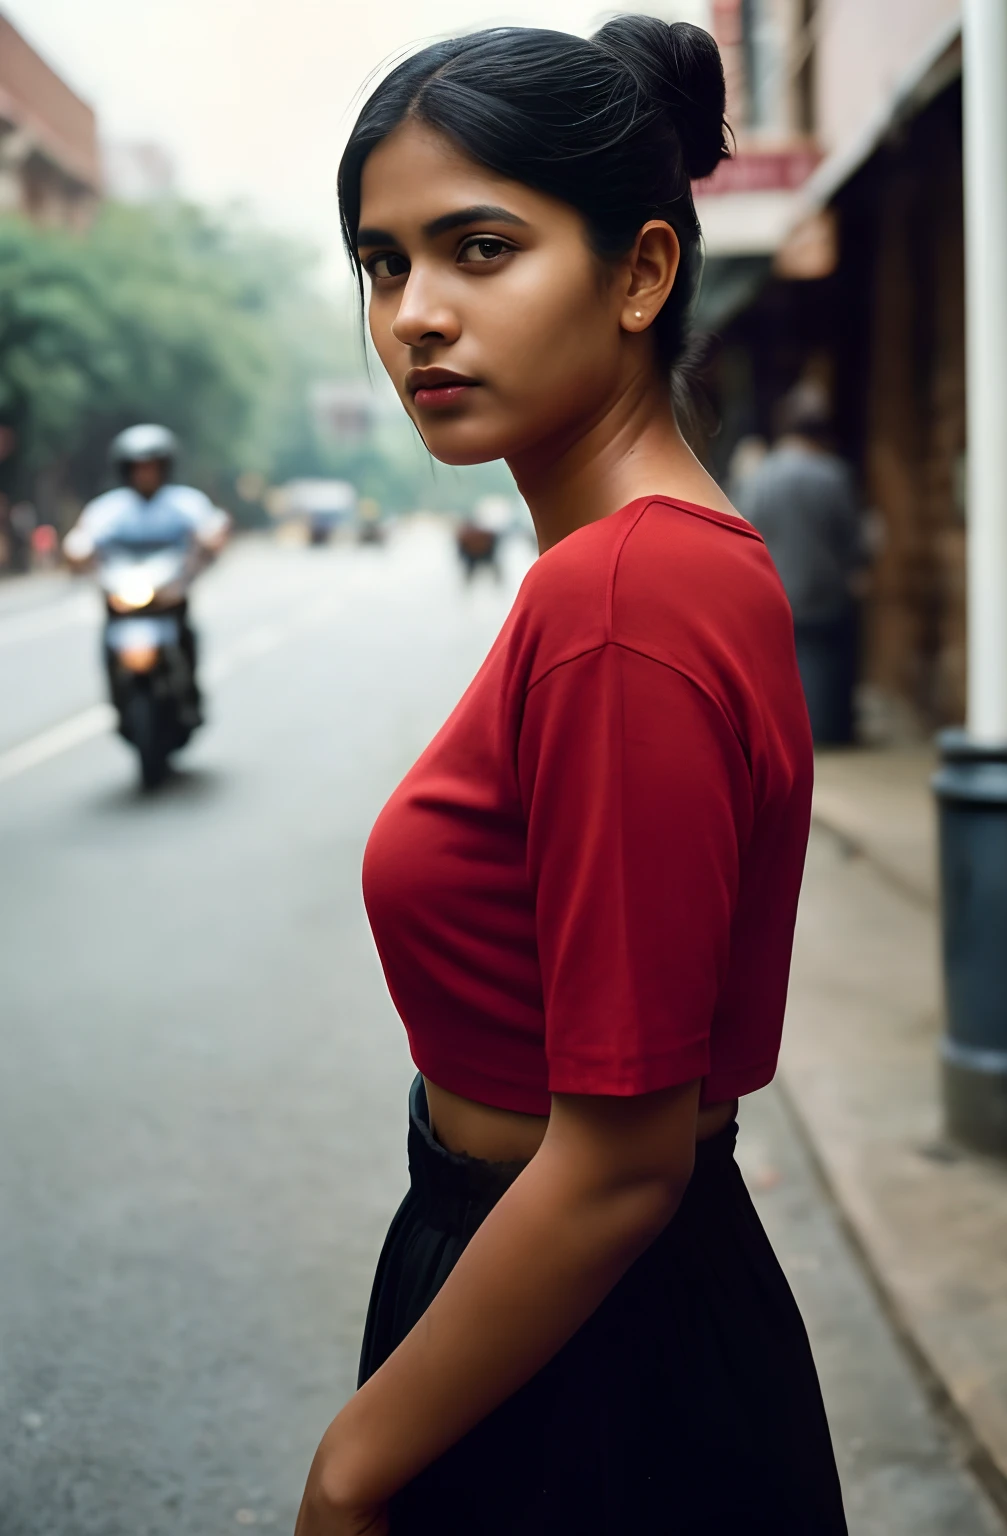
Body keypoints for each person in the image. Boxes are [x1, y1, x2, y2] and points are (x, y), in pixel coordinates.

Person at [296, 19, 847, 1536]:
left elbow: (616, 1162)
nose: (416, 315)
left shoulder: (621, 600)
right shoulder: (662, 563)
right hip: (577, 1308)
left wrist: (350, 1469)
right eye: (385, 264)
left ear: (642, 272)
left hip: (591, 1358)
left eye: (481, 248)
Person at [63, 424, 229, 717]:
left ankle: (190, 690)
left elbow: (211, 528)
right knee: (106, 633)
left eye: (152, 467)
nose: (146, 474)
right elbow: (82, 540)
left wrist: (209, 542)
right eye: (139, 468)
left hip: (169, 596)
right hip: (122, 597)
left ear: (164, 468)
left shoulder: (185, 503)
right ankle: (117, 696)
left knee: (187, 631)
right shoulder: (109, 509)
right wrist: (76, 553)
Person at [738, 384, 866, 745]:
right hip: (825, 592)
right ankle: (824, 735)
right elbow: (851, 538)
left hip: (774, 589)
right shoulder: (833, 475)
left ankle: (788, 737)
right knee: (824, 670)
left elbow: (745, 527)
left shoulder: (759, 477)